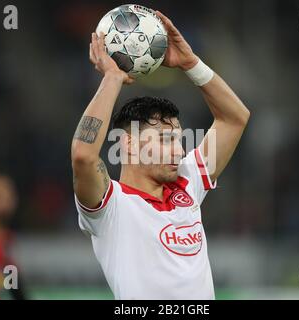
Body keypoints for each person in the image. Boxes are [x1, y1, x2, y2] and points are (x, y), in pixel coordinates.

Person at [71, 11, 250, 299]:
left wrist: (192, 64)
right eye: (166, 139)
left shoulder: (188, 181)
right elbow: (83, 155)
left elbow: (235, 118)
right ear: (128, 145)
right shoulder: (111, 206)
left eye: (179, 140)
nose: (179, 151)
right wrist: (113, 79)